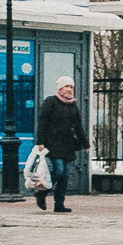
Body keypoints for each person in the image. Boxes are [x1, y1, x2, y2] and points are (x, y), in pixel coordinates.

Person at [34, 78, 89, 212]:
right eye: (66, 86)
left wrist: (85, 143)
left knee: (65, 175)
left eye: (71, 86)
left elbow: (78, 126)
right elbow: (42, 122)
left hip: (67, 144)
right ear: (60, 88)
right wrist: (40, 141)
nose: (69, 89)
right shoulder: (50, 102)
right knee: (58, 170)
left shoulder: (73, 105)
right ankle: (42, 192)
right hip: (52, 142)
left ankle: (59, 204)